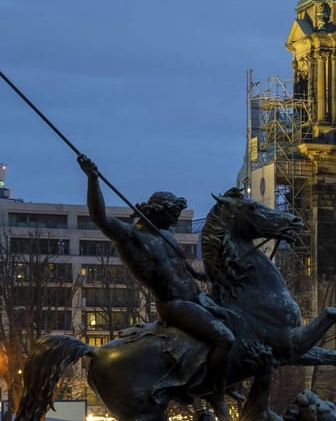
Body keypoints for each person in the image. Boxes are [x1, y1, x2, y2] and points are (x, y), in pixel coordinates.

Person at [77, 155, 236, 405]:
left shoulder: (167, 235)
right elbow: (100, 218)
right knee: (224, 338)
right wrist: (93, 179)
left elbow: (187, 272)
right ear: (158, 212)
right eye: (173, 213)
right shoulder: (132, 238)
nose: (175, 219)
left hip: (197, 298)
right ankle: (215, 390)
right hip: (175, 306)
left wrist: (215, 276)